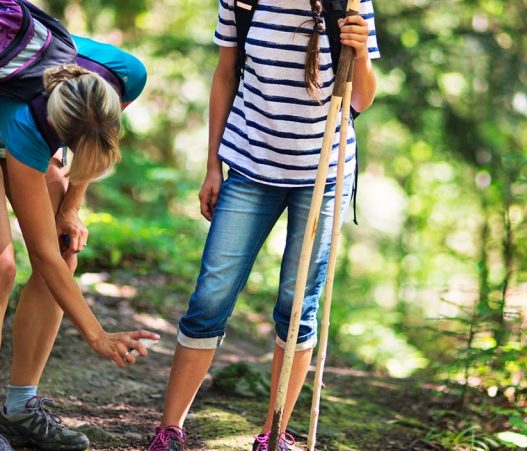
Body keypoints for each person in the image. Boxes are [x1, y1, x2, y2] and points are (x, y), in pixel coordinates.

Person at [146, 1, 380, 450]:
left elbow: (362, 100)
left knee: (298, 308)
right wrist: (213, 165)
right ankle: (169, 428)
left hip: (323, 175)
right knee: (211, 295)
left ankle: (274, 434)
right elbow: (225, 75)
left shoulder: (350, 1)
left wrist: (362, 54)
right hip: (251, 166)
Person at [0, 35, 160, 451]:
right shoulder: (27, 125)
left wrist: (71, 207)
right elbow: (42, 255)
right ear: (58, 133)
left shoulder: (124, 75)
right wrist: (97, 335)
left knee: (66, 245)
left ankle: (21, 405)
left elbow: (93, 139)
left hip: (40, 125)